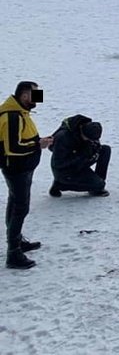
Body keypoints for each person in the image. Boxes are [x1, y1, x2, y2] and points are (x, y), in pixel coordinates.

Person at [1, 81, 53, 269]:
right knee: (20, 207)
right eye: (35, 95)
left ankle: (16, 242)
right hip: (16, 168)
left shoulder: (20, 112)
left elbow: (23, 139)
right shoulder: (12, 116)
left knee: (15, 203)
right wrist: (37, 145)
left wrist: (38, 141)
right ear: (24, 96)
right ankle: (13, 253)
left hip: (23, 167)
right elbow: (12, 148)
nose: (37, 100)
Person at [49, 115, 110, 197]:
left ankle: (97, 184)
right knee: (99, 184)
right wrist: (82, 156)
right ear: (82, 132)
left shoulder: (89, 131)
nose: (90, 141)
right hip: (64, 170)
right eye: (88, 139)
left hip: (81, 161)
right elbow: (59, 163)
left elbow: (93, 146)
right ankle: (60, 185)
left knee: (105, 150)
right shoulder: (63, 137)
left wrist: (94, 150)